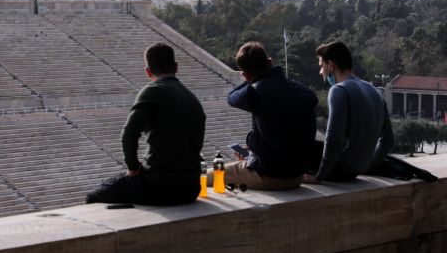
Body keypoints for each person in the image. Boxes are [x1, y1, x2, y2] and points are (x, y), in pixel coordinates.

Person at [86, 42, 206, 205]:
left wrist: (133, 167)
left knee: (94, 196)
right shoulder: (192, 98)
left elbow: (128, 135)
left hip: (160, 186)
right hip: (191, 188)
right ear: (176, 67)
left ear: (148, 72)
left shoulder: (153, 91)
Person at [208, 41, 318, 190]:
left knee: (208, 174)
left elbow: (232, 97)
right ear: (270, 62)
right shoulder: (305, 93)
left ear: (245, 75)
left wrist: (250, 79)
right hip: (297, 175)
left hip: (270, 175)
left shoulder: (255, 94)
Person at [303, 41, 395, 183]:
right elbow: (388, 139)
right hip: (356, 170)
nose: (320, 72)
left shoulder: (338, 90)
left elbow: (334, 138)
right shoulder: (374, 91)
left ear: (331, 66)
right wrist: (366, 165)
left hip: (338, 171)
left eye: (322, 66)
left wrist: (319, 176)